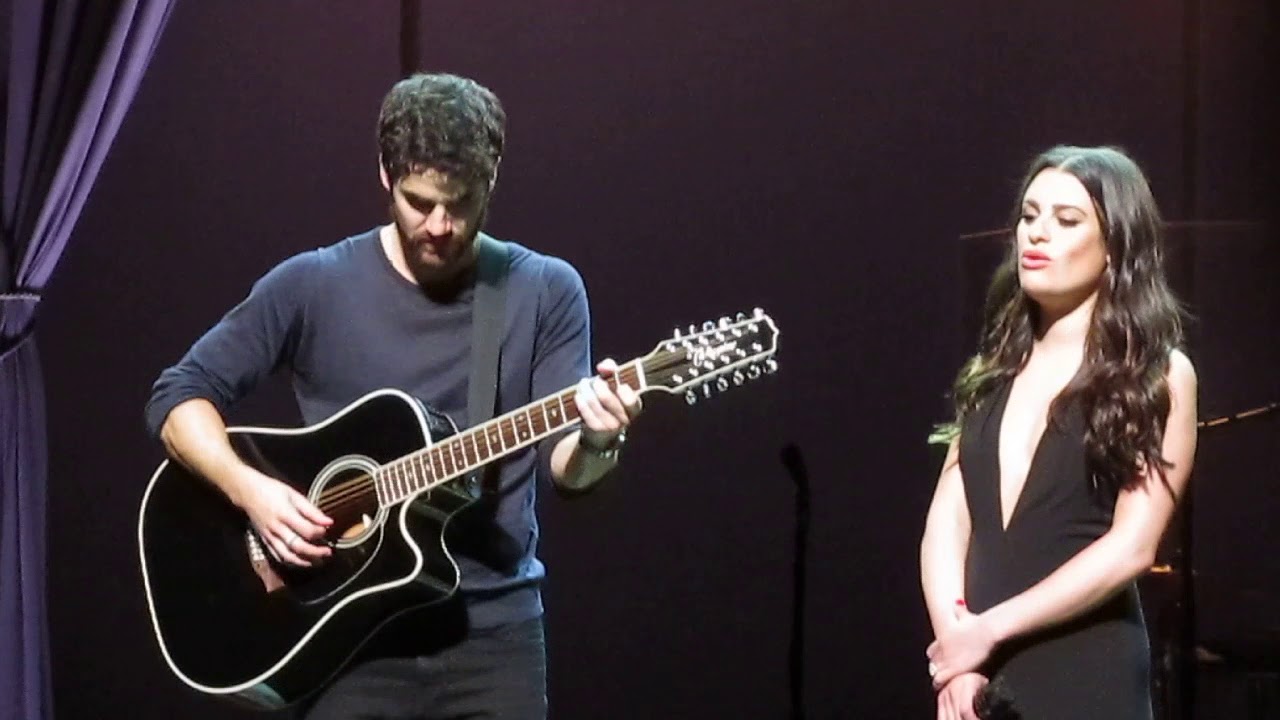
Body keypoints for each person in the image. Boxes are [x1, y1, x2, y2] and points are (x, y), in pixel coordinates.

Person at [144, 72, 641, 719]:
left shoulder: (544, 289)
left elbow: (568, 469)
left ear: (492, 182)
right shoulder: (313, 285)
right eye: (418, 201)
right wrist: (252, 491)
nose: (439, 225)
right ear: (385, 175)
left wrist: (601, 440)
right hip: (349, 639)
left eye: (460, 204)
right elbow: (177, 396)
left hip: (494, 639)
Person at [919, 145, 1198, 719]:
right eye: (1029, 215)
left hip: (1085, 668)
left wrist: (987, 630)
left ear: (1115, 244)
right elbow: (947, 521)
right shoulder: (991, 370)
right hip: (976, 670)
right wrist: (959, 650)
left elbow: (1132, 547)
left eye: (1066, 220)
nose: (1036, 234)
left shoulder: (1157, 373)